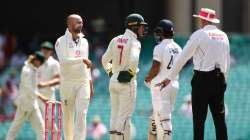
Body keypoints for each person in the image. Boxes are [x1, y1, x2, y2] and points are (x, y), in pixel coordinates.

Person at [156, 8, 230, 140]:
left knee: (199, 121)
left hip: (202, 79)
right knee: (220, 120)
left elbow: (182, 58)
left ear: (203, 20)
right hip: (220, 79)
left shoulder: (199, 34)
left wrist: (169, 77)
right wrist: (224, 80)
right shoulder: (223, 36)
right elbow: (226, 61)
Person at [102, 13, 147, 140]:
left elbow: (104, 60)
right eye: (141, 26)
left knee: (114, 115)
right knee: (125, 117)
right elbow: (134, 60)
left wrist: (111, 73)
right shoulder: (135, 42)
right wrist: (130, 73)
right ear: (133, 26)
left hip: (113, 81)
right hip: (127, 83)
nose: (142, 29)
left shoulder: (115, 39)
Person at [55, 14, 93, 140]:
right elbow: (64, 61)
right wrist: (81, 59)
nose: (81, 24)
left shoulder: (85, 41)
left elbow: (87, 66)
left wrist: (90, 83)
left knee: (82, 113)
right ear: (69, 25)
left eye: (81, 22)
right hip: (67, 82)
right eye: (78, 22)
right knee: (68, 116)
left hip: (83, 82)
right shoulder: (61, 41)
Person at [145, 19, 182, 140]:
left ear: (162, 32)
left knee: (165, 119)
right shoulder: (178, 48)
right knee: (156, 117)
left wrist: (148, 78)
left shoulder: (159, 47)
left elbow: (155, 67)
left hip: (161, 85)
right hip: (174, 84)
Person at [6, 51, 49, 140]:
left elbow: (33, 87)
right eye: (40, 62)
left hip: (33, 104)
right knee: (15, 128)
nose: (40, 65)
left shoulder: (33, 69)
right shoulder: (27, 70)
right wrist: (41, 97)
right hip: (24, 104)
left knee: (41, 128)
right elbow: (28, 88)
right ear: (36, 61)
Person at [37, 41, 60, 139]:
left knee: (49, 122)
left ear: (51, 51)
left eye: (47, 49)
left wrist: (45, 84)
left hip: (48, 96)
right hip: (37, 96)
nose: (45, 51)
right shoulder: (37, 62)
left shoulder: (54, 63)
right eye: (43, 49)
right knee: (40, 123)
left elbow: (58, 79)